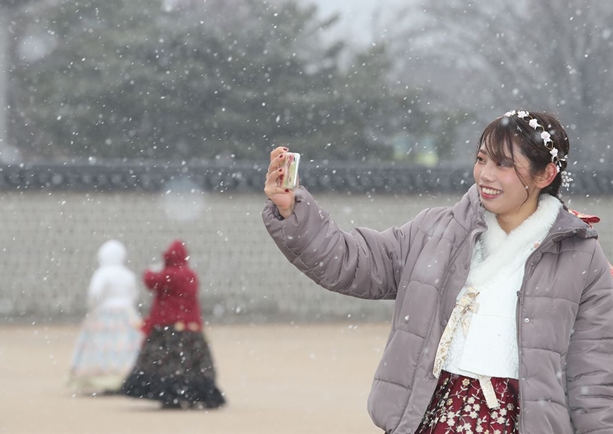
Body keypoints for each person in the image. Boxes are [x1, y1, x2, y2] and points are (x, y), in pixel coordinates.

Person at [262, 110, 613, 433]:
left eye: (504, 164)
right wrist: (293, 211)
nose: (485, 175)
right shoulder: (435, 230)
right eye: (481, 159)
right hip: (431, 415)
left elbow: (593, 378)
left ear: (545, 174)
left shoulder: (581, 256)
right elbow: (351, 260)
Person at [120, 239, 226, 409]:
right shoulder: (190, 274)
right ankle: (194, 394)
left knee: (166, 365)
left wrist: (151, 270)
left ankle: (169, 395)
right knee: (191, 365)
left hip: (167, 327)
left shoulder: (171, 274)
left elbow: (150, 281)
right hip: (190, 327)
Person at [68, 239, 143, 395]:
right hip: (127, 313)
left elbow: (94, 294)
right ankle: (125, 378)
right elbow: (134, 294)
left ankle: (106, 379)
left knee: (104, 348)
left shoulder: (102, 273)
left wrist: (94, 309)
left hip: (105, 312)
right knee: (126, 348)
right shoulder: (127, 274)